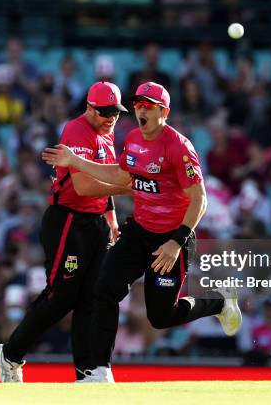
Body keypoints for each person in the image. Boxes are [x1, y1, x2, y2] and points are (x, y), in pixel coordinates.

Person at [42, 82, 242, 382]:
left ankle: (219, 302)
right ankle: (100, 370)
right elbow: (120, 174)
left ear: (164, 112)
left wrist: (176, 242)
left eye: (149, 106)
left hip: (172, 238)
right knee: (103, 289)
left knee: (161, 317)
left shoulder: (179, 146)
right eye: (138, 105)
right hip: (138, 232)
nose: (141, 110)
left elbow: (200, 199)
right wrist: (75, 161)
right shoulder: (133, 138)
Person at [0, 81, 130, 382]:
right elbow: (83, 186)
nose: (111, 118)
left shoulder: (107, 136)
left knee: (91, 297)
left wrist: (111, 218)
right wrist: (131, 185)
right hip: (69, 220)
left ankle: (86, 371)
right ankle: (10, 354)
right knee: (62, 295)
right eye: (105, 112)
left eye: (115, 112)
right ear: (90, 108)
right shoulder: (77, 130)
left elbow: (101, 185)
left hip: (95, 223)